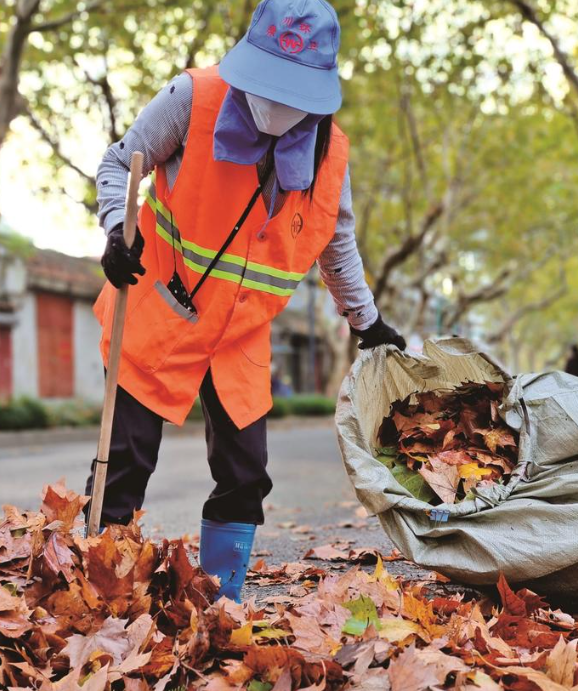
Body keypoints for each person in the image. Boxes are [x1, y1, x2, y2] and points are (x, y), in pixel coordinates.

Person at [87, 0, 405, 602]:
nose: (272, 101)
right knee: (124, 463)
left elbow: (335, 244)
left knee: (245, 473)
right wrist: (116, 229)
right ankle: (100, 599)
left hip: (239, 334)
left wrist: (368, 321)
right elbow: (117, 161)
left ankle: (220, 603)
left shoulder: (329, 156)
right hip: (157, 305)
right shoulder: (192, 98)